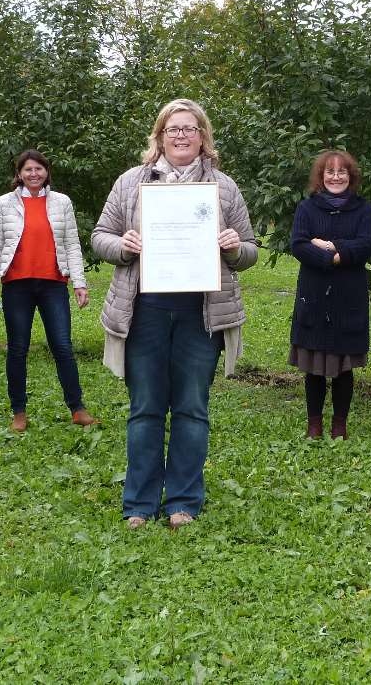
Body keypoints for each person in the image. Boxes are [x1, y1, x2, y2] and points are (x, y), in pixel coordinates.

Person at [92, 99, 257, 529]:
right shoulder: (131, 183)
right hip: (145, 309)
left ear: (203, 136)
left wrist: (234, 247)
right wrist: (122, 245)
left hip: (200, 314)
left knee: (191, 407)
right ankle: (140, 504)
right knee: (145, 407)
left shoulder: (223, 187)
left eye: (189, 129)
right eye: (172, 129)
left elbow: (251, 251)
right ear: (159, 136)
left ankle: (183, 500)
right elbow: (99, 237)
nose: (181, 136)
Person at [0, 150, 96, 432]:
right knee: (17, 349)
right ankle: (19, 412)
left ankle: (77, 408)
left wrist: (79, 283)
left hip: (53, 283)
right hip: (16, 284)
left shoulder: (62, 203)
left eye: (39, 169)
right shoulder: (4, 204)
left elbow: (72, 245)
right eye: (28, 169)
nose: (34, 174)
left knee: (63, 346)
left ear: (46, 172)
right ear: (19, 174)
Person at [289, 150, 371, 439]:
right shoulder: (307, 208)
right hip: (314, 296)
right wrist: (337, 253)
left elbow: (364, 247)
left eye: (342, 172)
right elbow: (299, 245)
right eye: (330, 172)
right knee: (313, 367)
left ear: (350, 176)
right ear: (321, 176)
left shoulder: (363, 209)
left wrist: (329, 248)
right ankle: (314, 425)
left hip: (348, 297)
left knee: (343, 368)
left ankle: (340, 425)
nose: (336, 177)